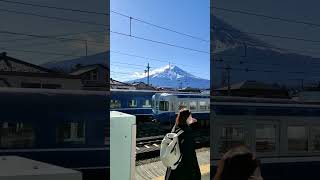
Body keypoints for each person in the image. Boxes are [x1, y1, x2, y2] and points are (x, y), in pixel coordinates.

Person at [165, 108, 201, 180]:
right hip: (183, 172)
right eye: (190, 116)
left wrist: (189, 124)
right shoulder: (187, 134)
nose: (192, 118)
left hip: (172, 168)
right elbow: (190, 156)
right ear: (186, 118)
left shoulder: (175, 129)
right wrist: (197, 173)